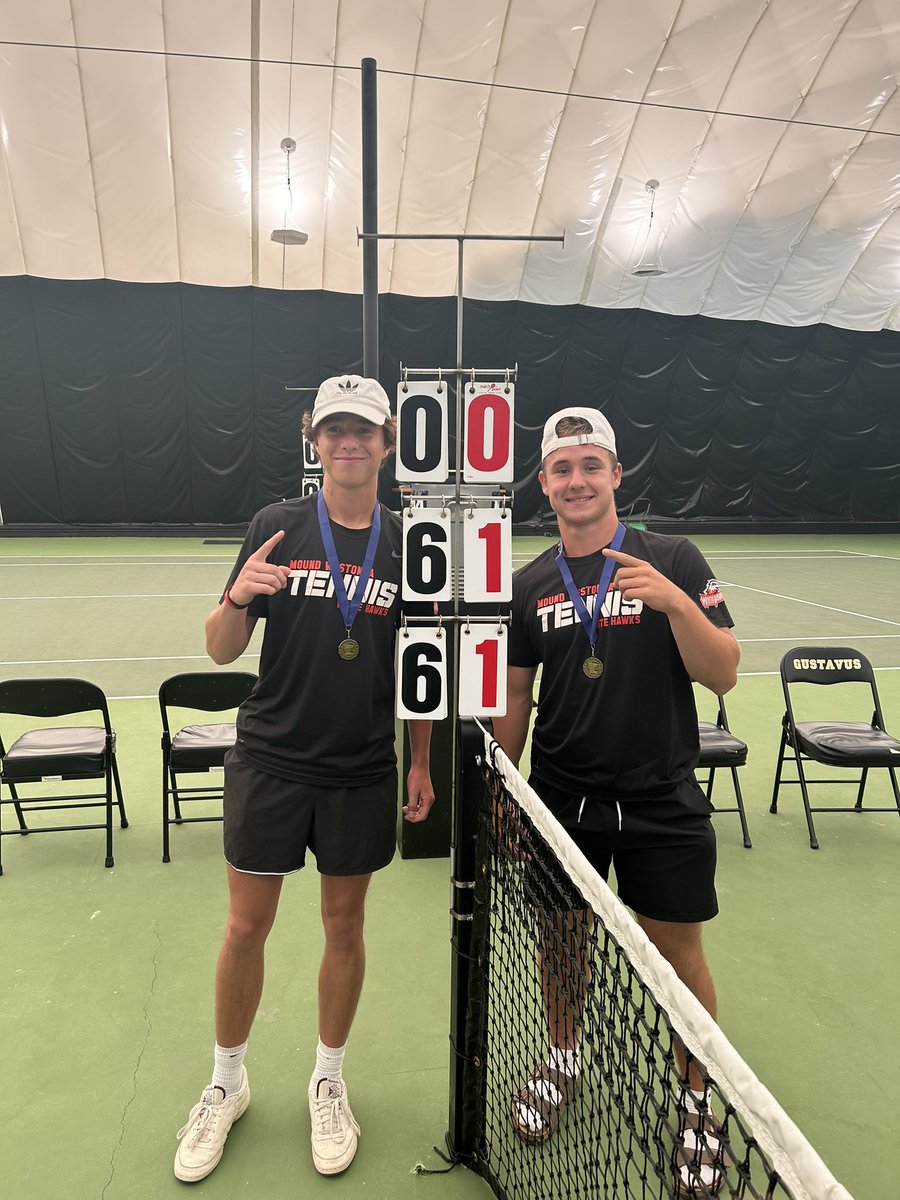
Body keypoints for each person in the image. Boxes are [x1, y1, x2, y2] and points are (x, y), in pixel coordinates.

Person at [173, 374, 435, 1183]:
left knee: (344, 927)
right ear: (313, 440)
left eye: (363, 431)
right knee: (246, 929)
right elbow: (220, 649)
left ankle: (328, 1078)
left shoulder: (411, 541)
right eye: (335, 431)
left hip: (361, 766)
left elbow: (419, 665)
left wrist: (420, 759)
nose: (349, 443)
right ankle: (226, 1084)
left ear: (387, 443)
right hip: (273, 759)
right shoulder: (276, 527)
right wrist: (239, 599)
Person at [491, 406, 739, 1195]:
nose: (576, 480)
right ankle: (562, 1059)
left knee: (677, 958)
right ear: (544, 484)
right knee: (563, 946)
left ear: (616, 476)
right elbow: (518, 697)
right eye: (562, 469)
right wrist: (506, 781)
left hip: (662, 801)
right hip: (564, 804)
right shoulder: (531, 584)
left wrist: (674, 602)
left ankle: (697, 1105)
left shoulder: (670, 557)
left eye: (590, 465)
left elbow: (723, 672)